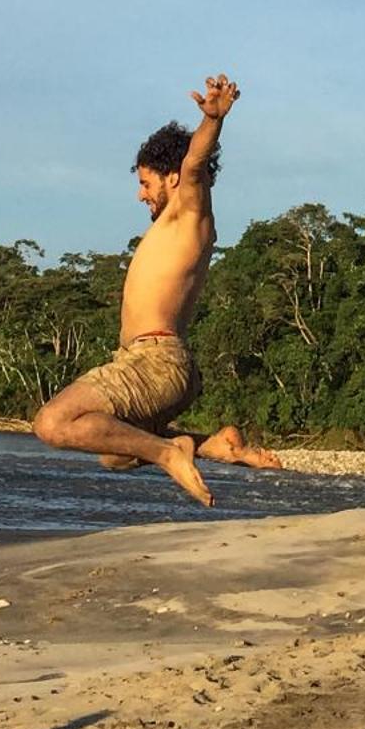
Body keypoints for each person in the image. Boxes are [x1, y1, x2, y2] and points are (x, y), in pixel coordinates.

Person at [31, 73, 281, 506]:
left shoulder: (190, 207)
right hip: (155, 364)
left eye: (146, 183)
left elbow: (196, 163)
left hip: (156, 362)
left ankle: (169, 453)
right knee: (114, 454)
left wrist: (213, 121)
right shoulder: (171, 225)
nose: (140, 194)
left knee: (52, 423)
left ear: (171, 178)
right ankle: (212, 445)